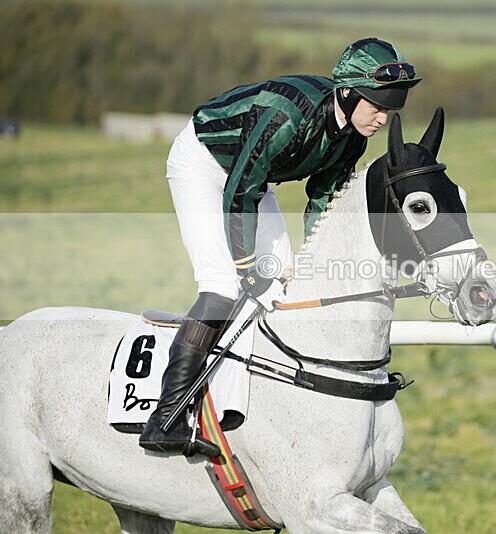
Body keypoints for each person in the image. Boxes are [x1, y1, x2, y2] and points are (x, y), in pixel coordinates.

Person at [139, 37, 421, 456]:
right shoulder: (287, 115)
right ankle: (165, 417)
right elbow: (239, 193)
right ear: (346, 92)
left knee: (283, 287)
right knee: (222, 286)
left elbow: (323, 203)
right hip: (204, 164)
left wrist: (317, 263)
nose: (382, 117)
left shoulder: (353, 138)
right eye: (376, 105)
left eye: (389, 109)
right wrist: (248, 266)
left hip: (251, 179)